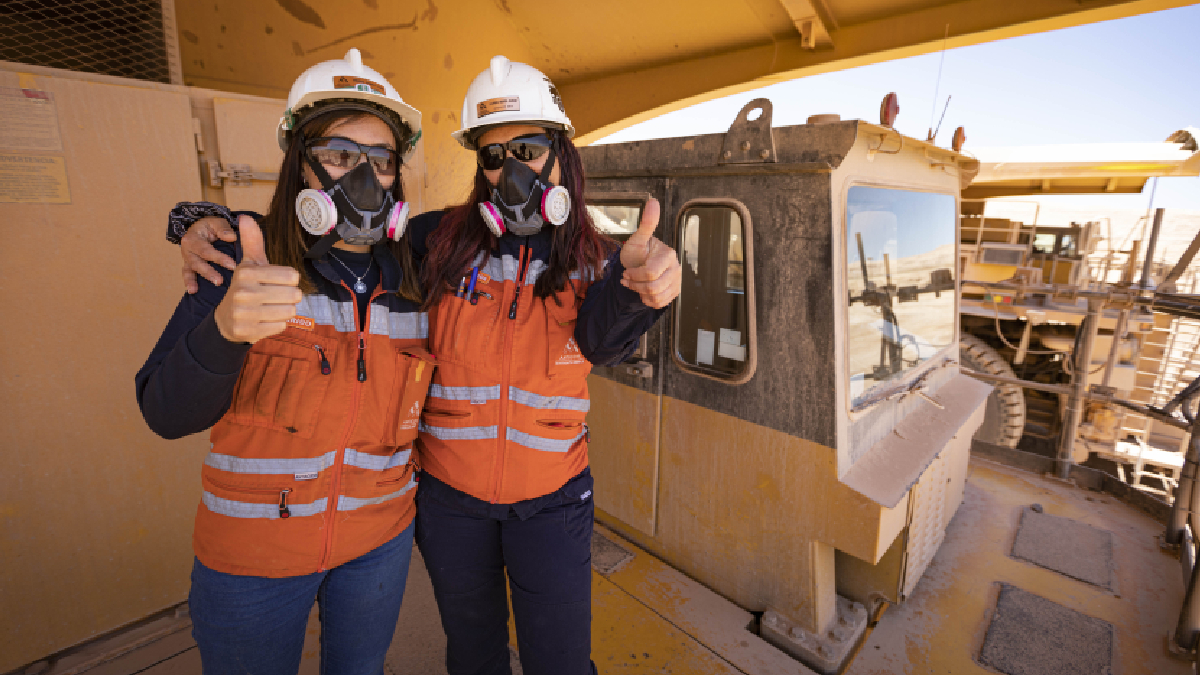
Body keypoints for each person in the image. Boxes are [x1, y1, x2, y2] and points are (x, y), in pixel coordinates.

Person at [171, 55, 682, 675]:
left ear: (559, 154)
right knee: (473, 651)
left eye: (527, 148)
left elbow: (604, 341)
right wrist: (210, 224)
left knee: (563, 661)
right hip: (450, 501)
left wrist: (642, 287)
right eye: (493, 157)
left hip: (551, 501)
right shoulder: (436, 241)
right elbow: (326, 244)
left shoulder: (598, 257)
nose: (510, 171)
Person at [135, 49, 433, 675]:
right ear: (301, 165)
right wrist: (222, 331)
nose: (364, 176)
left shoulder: (415, 280)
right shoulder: (244, 261)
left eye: (380, 160)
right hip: (253, 559)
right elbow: (162, 411)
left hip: (377, 546)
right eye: (338, 155)